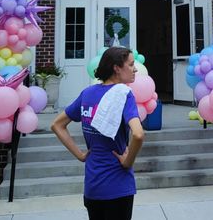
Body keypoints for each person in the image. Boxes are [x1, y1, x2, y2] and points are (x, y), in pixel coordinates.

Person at [51, 46, 144, 220]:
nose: (135, 69)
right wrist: (127, 162)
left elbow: (57, 125)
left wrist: (80, 155)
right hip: (118, 187)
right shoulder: (124, 95)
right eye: (131, 65)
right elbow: (138, 134)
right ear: (116, 68)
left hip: (93, 187)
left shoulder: (87, 94)